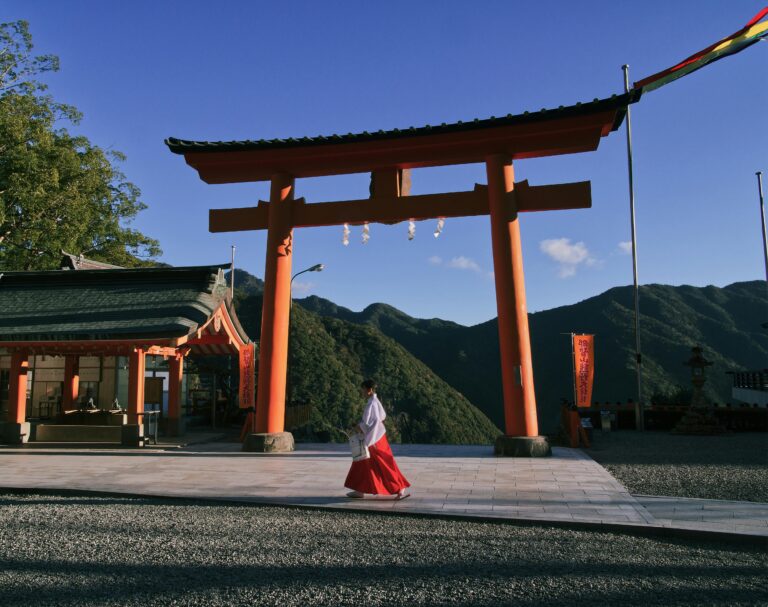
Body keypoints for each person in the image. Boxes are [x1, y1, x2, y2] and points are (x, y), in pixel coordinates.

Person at [344, 379, 410, 500]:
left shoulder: (371, 404)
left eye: (363, 389)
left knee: (383, 463)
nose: (361, 391)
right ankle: (359, 489)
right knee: (362, 461)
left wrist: (357, 427)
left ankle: (400, 488)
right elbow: (381, 416)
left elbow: (369, 422)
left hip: (374, 439)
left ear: (369, 390)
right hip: (377, 436)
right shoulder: (375, 401)